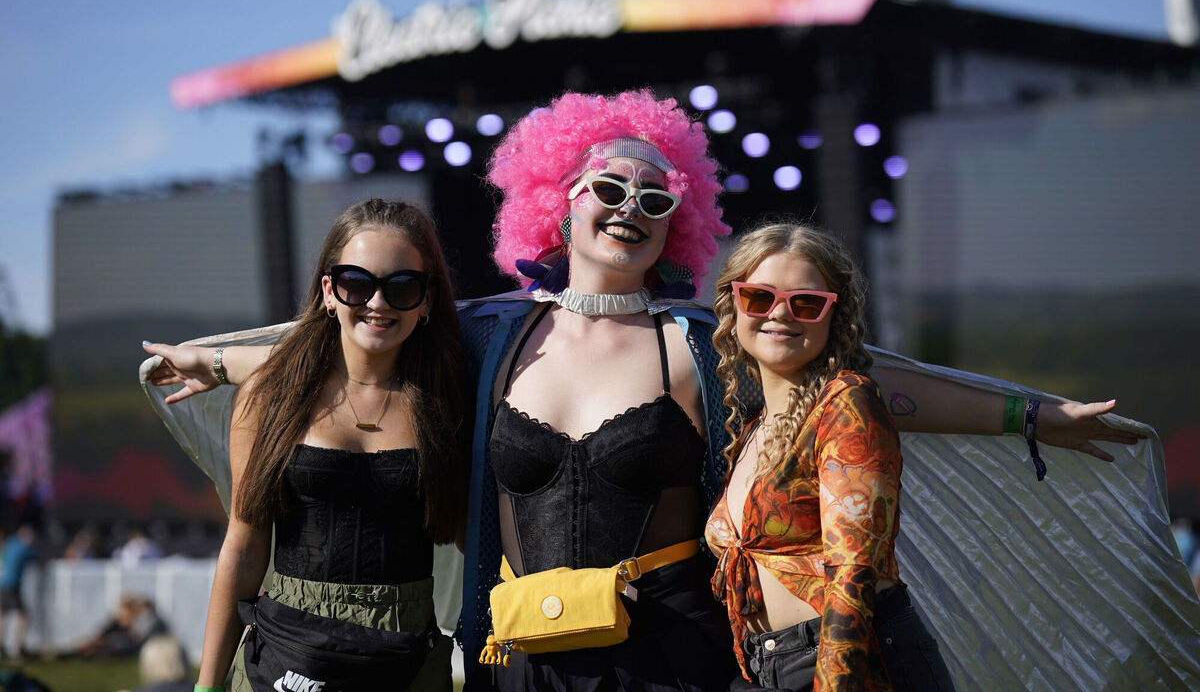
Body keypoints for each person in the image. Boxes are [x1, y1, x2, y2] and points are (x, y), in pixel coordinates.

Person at [143, 91, 1179, 691]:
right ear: (561, 200)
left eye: (654, 196)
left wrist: (1032, 413)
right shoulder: (496, 331)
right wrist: (218, 358)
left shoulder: (704, 339)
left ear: (674, 222)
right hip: (522, 664)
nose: (628, 208)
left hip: (669, 662)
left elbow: (861, 384)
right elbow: (361, 326)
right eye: (607, 188)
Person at [189, 199, 468, 691]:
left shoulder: (450, 403)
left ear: (427, 301)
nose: (377, 303)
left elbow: (476, 541)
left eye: (402, 286)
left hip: (404, 661)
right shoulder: (270, 394)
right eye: (356, 283)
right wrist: (206, 686)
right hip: (284, 658)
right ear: (328, 291)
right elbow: (244, 546)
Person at [706, 222, 954, 690]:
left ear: (834, 318)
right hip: (768, 667)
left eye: (806, 303)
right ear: (733, 306)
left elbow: (854, 572)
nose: (780, 314)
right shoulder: (753, 427)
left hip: (852, 665)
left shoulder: (847, 402)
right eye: (759, 297)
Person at [0, 524, 37, 658]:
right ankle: (19, 646)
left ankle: (3, 646)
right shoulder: (23, 548)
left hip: (3, 583)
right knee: (22, 616)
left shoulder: (10, 544)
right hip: (11, 585)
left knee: (3, 615)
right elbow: (37, 557)